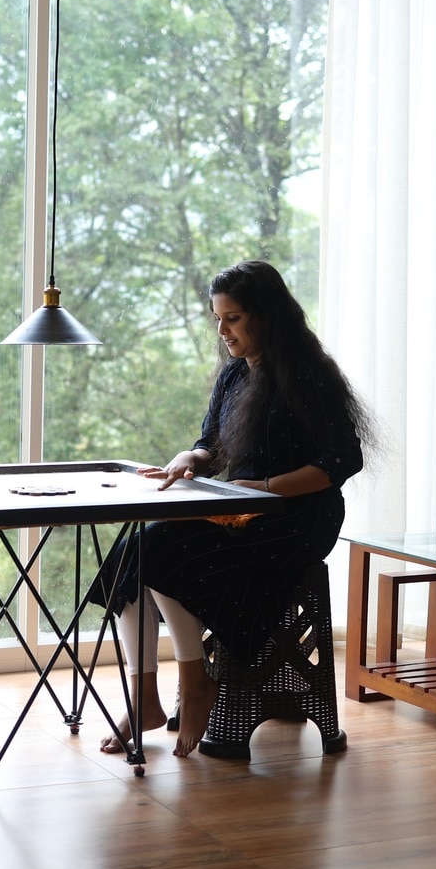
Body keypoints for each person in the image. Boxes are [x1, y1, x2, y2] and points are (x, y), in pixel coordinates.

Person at [93, 260, 369, 758]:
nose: (222, 331)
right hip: (246, 508)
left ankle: (195, 682)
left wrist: (268, 487)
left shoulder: (309, 375)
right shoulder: (233, 377)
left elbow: (343, 460)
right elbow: (211, 446)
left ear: (267, 317)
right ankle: (146, 698)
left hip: (300, 520)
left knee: (158, 544)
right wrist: (188, 459)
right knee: (134, 555)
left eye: (234, 319)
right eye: (217, 319)